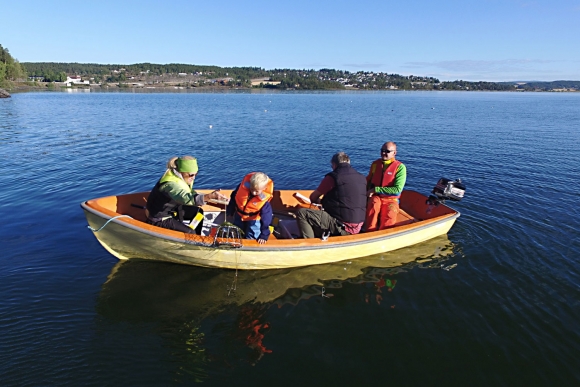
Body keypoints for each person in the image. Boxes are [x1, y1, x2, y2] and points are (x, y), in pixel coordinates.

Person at [146, 156, 228, 234]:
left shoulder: (184, 178)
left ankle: (197, 235)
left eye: (196, 174)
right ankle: (192, 238)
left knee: (198, 212)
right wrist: (209, 196)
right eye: (191, 175)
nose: (194, 178)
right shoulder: (171, 185)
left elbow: (190, 193)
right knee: (189, 232)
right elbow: (184, 197)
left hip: (173, 210)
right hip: (160, 218)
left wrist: (212, 197)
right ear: (181, 172)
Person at [296, 152, 367, 239]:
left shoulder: (333, 177)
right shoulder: (362, 178)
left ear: (334, 164)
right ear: (348, 162)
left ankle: (309, 244)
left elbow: (313, 197)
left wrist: (320, 202)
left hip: (343, 226)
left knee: (302, 213)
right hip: (358, 225)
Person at [365, 141, 407, 231]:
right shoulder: (375, 164)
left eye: (387, 151)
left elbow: (397, 189)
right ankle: (369, 232)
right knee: (373, 205)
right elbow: (368, 180)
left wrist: (375, 190)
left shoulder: (400, 167)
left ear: (394, 153)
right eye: (382, 150)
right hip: (376, 197)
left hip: (390, 199)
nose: (383, 153)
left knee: (389, 215)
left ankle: (384, 235)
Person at [226, 172, 274, 244]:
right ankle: (237, 241)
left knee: (252, 234)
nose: (253, 193)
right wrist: (230, 210)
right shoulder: (242, 188)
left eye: (256, 191)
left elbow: (266, 219)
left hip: (253, 219)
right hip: (239, 215)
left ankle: (249, 244)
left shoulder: (264, 202)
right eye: (252, 189)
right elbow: (234, 198)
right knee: (237, 231)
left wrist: (264, 234)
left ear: (264, 188)